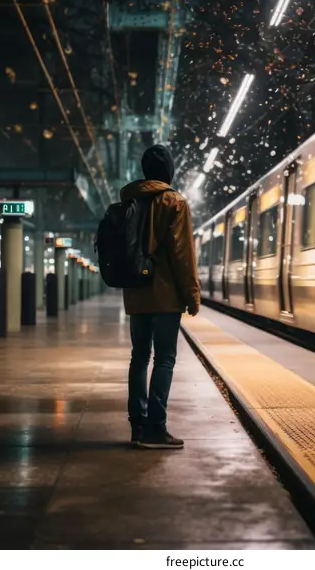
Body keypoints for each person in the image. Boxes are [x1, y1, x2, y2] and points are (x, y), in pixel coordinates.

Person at [121, 144, 200, 449]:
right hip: (165, 296)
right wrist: (192, 294)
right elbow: (183, 254)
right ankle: (157, 427)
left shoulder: (129, 201)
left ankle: (138, 426)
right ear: (168, 170)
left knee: (139, 357)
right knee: (164, 358)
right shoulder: (174, 202)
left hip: (136, 294)